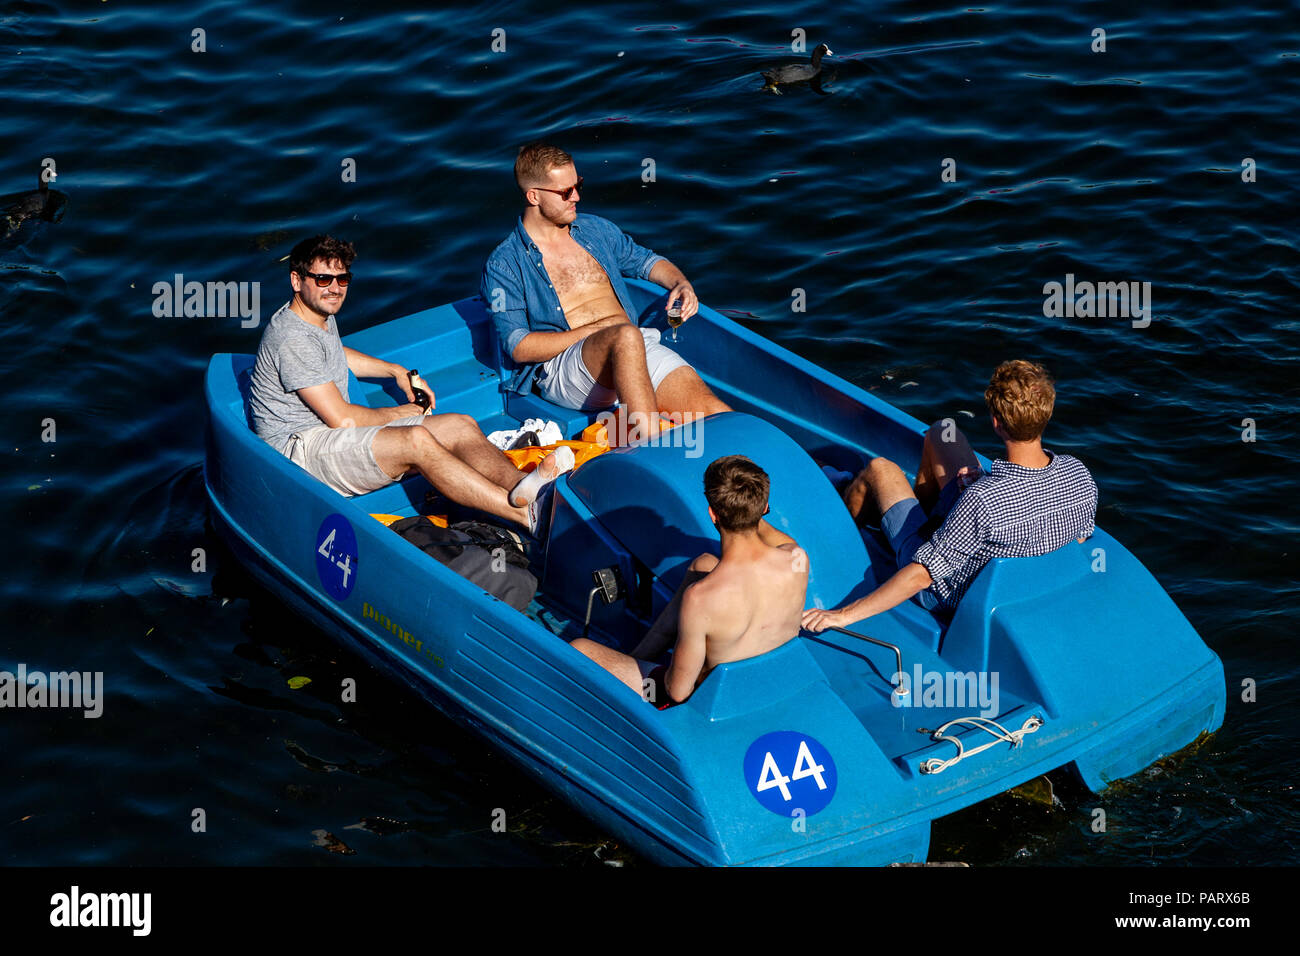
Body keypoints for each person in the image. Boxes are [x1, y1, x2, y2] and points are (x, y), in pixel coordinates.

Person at [249, 234, 572, 532]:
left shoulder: (315, 318)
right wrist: (403, 413)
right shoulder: (292, 338)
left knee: (459, 425)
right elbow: (342, 419)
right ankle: (523, 515)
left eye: (342, 278)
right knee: (416, 439)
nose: (334, 288)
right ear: (296, 280)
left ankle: (528, 489)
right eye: (323, 279)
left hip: (327, 438)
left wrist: (394, 371)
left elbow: (333, 352)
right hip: (298, 453)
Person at [802, 360, 1098, 631]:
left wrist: (843, 615)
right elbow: (1079, 538)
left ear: (996, 422)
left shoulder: (984, 500)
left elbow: (922, 575)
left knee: (881, 470)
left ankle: (843, 515)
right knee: (944, 431)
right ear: (1046, 414)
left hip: (944, 591)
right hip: (1001, 569)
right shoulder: (1078, 474)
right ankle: (919, 514)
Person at [481, 142, 731, 443]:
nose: (577, 197)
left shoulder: (594, 229)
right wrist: (598, 329)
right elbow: (518, 346)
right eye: (565, 192)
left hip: (634, 346)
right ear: (533, 196)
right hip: (565, 369)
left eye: (578, 185)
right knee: (624, 335)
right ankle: (653, 450)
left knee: (717, 415)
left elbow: (646, 261)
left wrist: (680, 283)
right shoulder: (505, 263)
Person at [571, 456, 808, 706]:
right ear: (764, 507)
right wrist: (747, 501)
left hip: (708, 701)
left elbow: (678, 691)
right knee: (703, 564)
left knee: (579, 650)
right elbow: (769, 535)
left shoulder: (701, 599)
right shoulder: (797, 559)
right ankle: (635, 657)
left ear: (712, 514)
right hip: (766, 682)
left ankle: (632, 688)